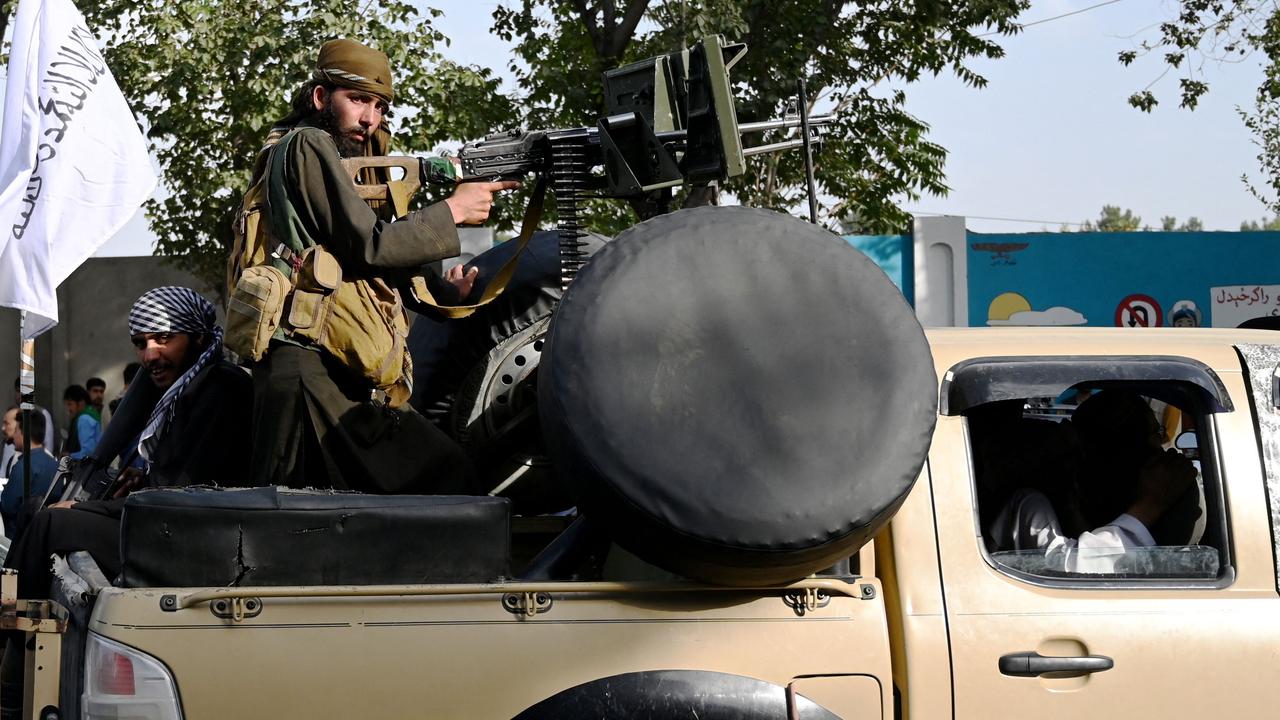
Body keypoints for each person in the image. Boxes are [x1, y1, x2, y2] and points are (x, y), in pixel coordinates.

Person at [245, 38, 514, 494]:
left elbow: (368, 253)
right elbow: (370, 246)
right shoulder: (307, 144)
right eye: (358, 100)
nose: (371, 119)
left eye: (380, 107)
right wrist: (452, 210)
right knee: (441, 476)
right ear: (319, 97)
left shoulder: (342, 157)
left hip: (329, 361)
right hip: (309, 365)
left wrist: (446, 293)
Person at [5, 287, 255, 598]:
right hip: (163, 522)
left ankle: (13, 631)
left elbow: (188, 495)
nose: (150, 356)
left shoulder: (222, 389)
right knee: (33, 509)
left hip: (194, 538)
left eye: (164, 339)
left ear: (198, 337)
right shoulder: (184, 390)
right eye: (141, 344)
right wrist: (141, 480)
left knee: (49, 523)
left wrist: (96, 507)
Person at [988, 390, 1199, 573]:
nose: (1160, 451)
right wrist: (1149, 507)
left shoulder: (1086, 501)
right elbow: (1072, 572)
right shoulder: (1029, 503)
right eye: (1154, 436)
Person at [0, 408, 56, 539]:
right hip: (42, 535)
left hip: (18, 538)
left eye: (17, 430)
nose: (14, 435)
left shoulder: (23, 466)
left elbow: (7, 505)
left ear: (23, 433)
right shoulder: (54, 464)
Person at [61, 384, 100, 460]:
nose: (68, 409)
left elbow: (88, 453)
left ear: (81, 403)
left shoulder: (84, 419)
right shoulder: (91, 414)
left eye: (70, 404)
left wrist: (69, 456)